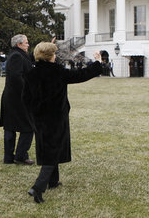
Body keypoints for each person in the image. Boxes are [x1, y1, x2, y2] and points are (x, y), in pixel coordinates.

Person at [22, 43, 102, 204]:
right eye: (54, 54)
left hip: (38, 118)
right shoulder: (57, 72)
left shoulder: (31, 73)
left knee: (48, 147)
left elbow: (25, 98)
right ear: (50, 56)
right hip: (56, 117)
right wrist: (97, 63)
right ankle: (37, 187)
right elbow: (81, 75)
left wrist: (32, 115)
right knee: (53, 151)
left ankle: (53, 181)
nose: (56, 56)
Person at [0, 34, 34, 165]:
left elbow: (33, 58)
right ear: (19, 44)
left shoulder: (19, 54)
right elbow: (16, 78)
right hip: (17, 98)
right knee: (28, 126)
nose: (28, 44)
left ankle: (9, 158)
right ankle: (20, 156)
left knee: (11, 128)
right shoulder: (16, 56)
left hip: (13, 97)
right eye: (26, 42)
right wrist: (28, 92)